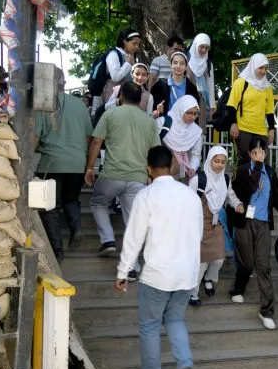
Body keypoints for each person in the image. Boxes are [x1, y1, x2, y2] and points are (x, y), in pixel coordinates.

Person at [115, 145, 202, 369]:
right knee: (175, 319)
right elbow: (197, 236)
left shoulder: (147, 195)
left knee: (150, 326)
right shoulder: (191, 196)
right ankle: (185, 365)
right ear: (173, 166)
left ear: (148, 168)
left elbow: (134, 238)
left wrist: (123, 272)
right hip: (186, 273)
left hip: (157, 273)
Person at [85, 83, 161, 272]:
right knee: (133, 222)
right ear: (139, 99)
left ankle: (108, 239)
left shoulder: (110, 114)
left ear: (120, 97)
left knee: (97, 203)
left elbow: (96, 141)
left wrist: (89, 168)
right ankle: (133, 267)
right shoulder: (149, 121)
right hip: (138, 178)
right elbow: (155, 152)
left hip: (112, 174)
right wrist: (151, 175)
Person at [229, 136, 278, 329]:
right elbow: (250, 187)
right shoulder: (241, 171)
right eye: (254, 152)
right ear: (249, 154)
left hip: (263, 223)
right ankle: (238, 287)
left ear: (266, 153)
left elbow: (277, 199)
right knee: (247, 263)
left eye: (261, 152)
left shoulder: (270, 173)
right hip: (244, 222)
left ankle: (267, 310)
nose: (258, 155)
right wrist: (256, 166)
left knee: (263, 266)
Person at [33, 77, 94, 259]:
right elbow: (88, 136)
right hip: (76, 162)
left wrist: (25, 159)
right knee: (71, 199)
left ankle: (56, 250)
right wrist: (84, 159)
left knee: (50, 206)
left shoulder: (44, 105)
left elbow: (36, 136)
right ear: (64, 84)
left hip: (52, 162)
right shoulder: (80, 105)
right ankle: (76, 229)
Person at [188, 146, 243, 306]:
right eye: (216, 161)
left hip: (216, 223)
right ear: (210, 160)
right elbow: (188, 202)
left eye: (223, 162)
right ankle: (193, 293)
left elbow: (230, 194)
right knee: (202, 262)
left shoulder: (225, 179)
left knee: (218, 259)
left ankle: (208, 278)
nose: (219, 165)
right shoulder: (199, 179)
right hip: (199, 225)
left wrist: (237, 204)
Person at [226, 53, 275, 164]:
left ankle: (262, 182)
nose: (263, 71)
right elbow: (231, 106)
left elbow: (270, 111)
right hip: (243, 130)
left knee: (263, 163)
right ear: (253, 66)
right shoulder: (241, 83)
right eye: (261, 68)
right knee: (244, 163)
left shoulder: (267, 87)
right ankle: (240, 182)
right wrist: (233, 124)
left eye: (266, 68)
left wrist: (271, 129)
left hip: (261, 131)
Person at [93, 28, 141, 114]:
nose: (137, 47)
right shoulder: (113, 54)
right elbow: (115, 77)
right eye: (134, 43)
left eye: (138, 44)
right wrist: (128, 64)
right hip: (112, 98)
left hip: (125, 99)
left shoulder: (129, 56)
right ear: (125, 41)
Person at [160, 95, 202, 181]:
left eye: (195, 113)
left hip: (184, 176)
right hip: (161, 175)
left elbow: (196, 154)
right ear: (181, 110)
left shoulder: (196, 131)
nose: (193, 117)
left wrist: (193, 167)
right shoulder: (163, 122)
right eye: (189, 113)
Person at [150, 52, 201, 120]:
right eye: (175, 62)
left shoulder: (191, 88)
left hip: (184, 127)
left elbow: (195, 113)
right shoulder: (159, 85)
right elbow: (152, 110)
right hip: (165, 126)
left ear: (186, 67)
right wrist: (157, 111)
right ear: (170, 65)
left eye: (182, 63)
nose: (178, 66)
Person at [186, 33, 215, 128]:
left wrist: (212, 107)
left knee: (198, 130)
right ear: (196, 45)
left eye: (206, 48)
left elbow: (210, 85)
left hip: (201, 102)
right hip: (185, 99)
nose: (204, 50)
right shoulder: (186, 59)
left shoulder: (208, 63)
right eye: (201, 47)